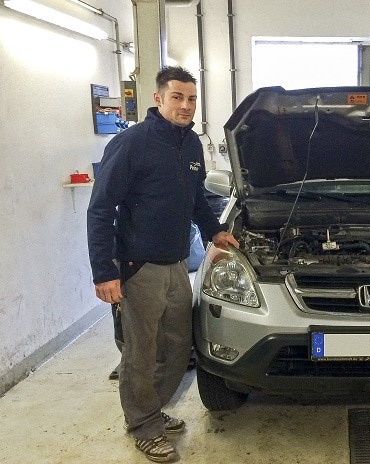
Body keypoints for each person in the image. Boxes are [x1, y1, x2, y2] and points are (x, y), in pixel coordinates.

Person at [87, 66, 238, 462]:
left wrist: (214, 232)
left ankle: (150, 409)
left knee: (178, 346)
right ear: (158, 98)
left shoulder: (191, 146)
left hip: (175, 264)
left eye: (191, 98)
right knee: (141, 350)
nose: (186, 105)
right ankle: (144, 425)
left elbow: (197, 199)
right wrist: (104, 271)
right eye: (177, 97)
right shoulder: (132, 143)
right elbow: (100, 209)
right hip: (139, 266)